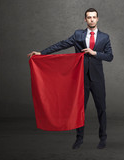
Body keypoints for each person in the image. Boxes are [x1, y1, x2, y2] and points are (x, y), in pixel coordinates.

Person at [28, 8, 113, 149]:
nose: (91, 19)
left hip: (97, 79)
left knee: (101, 109)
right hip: (80, 79)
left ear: (97, 19)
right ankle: (79, 139)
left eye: (94, 17)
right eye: (89, 17)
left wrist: (95, 53)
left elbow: (110, 56)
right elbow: (61, 44)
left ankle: (103, 139)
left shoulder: (105, 37)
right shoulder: (78, 34)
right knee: (79, 110)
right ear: (85, 19)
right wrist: (42, 53)